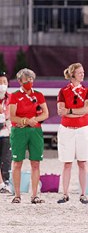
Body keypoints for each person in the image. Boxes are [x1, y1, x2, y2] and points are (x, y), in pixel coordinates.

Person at [9, 68, 49, 203]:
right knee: (17, 163)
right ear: (20, 81)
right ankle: (17, 195)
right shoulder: (14, 96)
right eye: (27, 80)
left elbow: (45, 113)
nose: (30, 82)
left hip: (35, 131)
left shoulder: (38, 95)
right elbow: (12, 117)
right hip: (18, 132)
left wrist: (33, 121)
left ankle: (35, 195)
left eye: (31, 79)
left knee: (35, 163)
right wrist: (26, 121)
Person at [56, 63, 88, 204]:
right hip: (67, 129)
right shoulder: (63, 91)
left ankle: (83, 194)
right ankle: (65, 193)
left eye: (83, 72)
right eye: (79, 73)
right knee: (67, 163)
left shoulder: (87, 91)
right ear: (72, 75)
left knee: (82, 162)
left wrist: (70, 111)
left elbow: (87, 110)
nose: (82, 74)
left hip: (83, 129)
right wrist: (77, 113)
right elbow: (61, 111)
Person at [0, 72, 12, 193]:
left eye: (4, 82)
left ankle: (6, 181)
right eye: (0, 83)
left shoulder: (10, 97)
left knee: (6, 159)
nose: (2, 85)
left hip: (6, 132)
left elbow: (11, 114)